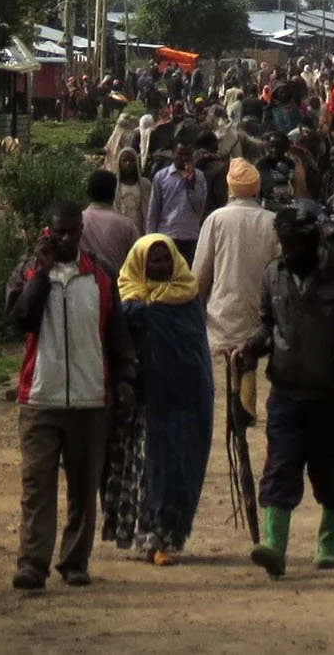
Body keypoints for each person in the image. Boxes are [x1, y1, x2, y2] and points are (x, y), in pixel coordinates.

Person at [6, 202, 135, 591]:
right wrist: (41, 275)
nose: (65, 238)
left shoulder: (100, 274)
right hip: (40, 399)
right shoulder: (29, 271)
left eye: (72, 231)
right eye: (58, 232)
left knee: (83, 487)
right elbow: (22, 319)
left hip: (90, 398)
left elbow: (117, 332)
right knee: (37, 487)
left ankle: (75, 561)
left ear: (81, 230)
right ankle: (33, 564)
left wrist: (125, 377)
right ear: (48, 231)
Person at [246, 201, 334, 579]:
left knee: (333, 472)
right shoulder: (273, 275)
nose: (289, 251)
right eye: (284, 243)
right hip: (285, 393)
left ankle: (328, 545)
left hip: (329, 396)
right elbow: (267, 325)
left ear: (315, 242)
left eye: (296, 243)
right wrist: (250, 348)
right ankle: (274, 546)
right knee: (280, 467)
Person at [116, 234, 214, 565]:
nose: (160, 266)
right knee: (146, 470)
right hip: (144, 403)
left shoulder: (187, 298)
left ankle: (168, 538)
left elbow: (196, 352)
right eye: (153, 260)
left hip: (184, 401)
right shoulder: (127, 301)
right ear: (140, 264)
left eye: (165, 259)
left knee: (178, 469)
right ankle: (146, 537)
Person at [195, 159, 282, 449]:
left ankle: (238, 411)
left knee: (229, 360)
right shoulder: (271, 221)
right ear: (256, 189)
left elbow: (201, 271)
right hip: (259, 307)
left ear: (230, 189)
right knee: (250, 355)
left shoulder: (216, 219)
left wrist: (197, 304)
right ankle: (246, 406)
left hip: (223, 308)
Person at [146, 143, 211, 259]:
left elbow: (200, 208)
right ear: (173, 155)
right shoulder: (161, 177)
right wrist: (150, 238)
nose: (184, 158)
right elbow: (154, 209)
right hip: (167, 234)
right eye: (180, 154)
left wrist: (192, 186)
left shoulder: (200, 177)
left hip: (190, 236)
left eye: (187, 155)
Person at [110, 147, 153, 233]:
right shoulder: (113, 185)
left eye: (131, 161)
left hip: (141, 230)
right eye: (124, 161)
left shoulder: (145, 184)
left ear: (136, 162)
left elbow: (150, 208)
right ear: (119, 163)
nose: (128, 163)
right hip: (120, 229)